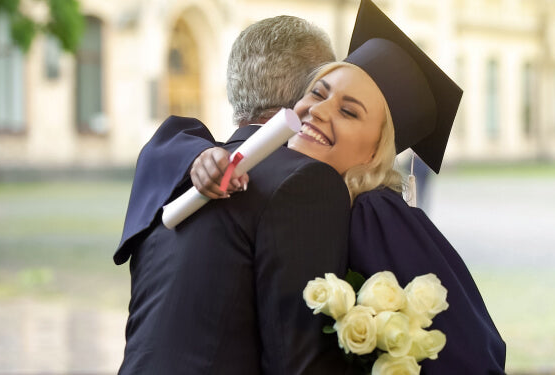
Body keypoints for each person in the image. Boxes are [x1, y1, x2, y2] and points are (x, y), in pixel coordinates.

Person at [190, 1, 507, 372]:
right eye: (318, 93)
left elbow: (471, 352)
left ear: (377, 150)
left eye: (349, 111)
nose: (319, 111)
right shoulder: (298, 196)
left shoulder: (377, 215)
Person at [114, 17, 350, 374]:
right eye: (326, 90)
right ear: (310, 96)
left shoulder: (177, 169)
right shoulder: (303, 182)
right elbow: (299, 362)